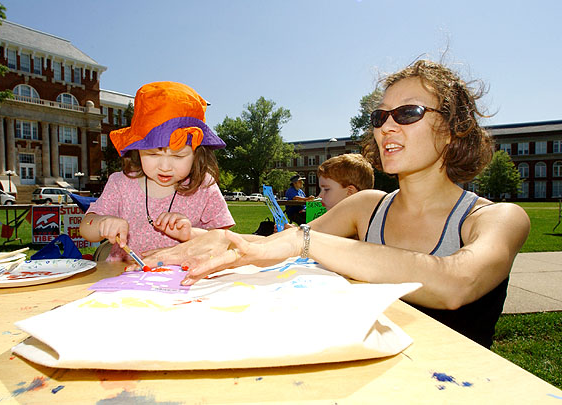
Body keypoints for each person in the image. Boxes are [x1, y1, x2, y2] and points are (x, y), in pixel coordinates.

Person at [145, 60, 530, 348]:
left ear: (452, 129)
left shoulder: (498, 218)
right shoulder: (366, 206)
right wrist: (211, 239)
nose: (385, 127)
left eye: (408, 113)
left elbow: (455, 284)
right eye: (380, 116)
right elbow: (270, 249)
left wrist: (305, 241)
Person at [80, 81, 235, 262]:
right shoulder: (120, 183)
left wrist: (190, 233)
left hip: (184, 281)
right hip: (124, 281)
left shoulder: (204, 186)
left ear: (197, 154)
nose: (165, 167)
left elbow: (225, 241)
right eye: (153, 154)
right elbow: (85, 227)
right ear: (137, 150)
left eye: (178, 157)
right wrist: (101, 224)